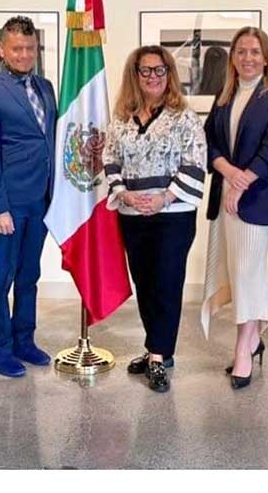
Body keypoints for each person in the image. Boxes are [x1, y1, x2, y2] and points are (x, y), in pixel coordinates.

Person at [102, 45, 206, 393]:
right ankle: (154, 348)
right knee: (145, 283)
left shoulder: (184, 117)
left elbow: (195, 163)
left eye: (159, 70)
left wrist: (165, 197)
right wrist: (123, 194)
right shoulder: (122, 118)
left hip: (172, 214)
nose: (152, 77)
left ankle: (159, 357)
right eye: (145, 70)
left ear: (169, 74)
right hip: (132, 213)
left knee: (166, 283)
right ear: (135, 75)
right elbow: (110, 158)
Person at [200, 26, 268, 389]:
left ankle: (243, 347)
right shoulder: (224, 96)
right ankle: (254, 339)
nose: (247, 58)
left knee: (247, 271)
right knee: (240, 271)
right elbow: (208, 142)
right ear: (232, 58)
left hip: (257, 197)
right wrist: (229, 173)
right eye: (241, 51)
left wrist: (242, 182)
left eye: (255, 51)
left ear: (266, 58)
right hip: (226, 192)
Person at [0, 16, 57, 378]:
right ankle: (0, 350)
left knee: (29, 276)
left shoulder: (46, 87)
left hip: (42, 200)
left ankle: (24, 340)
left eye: (30, 48)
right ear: (2, 50)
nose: (24, 54)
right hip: (9, 204)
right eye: (17, 48)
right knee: (1, 280)